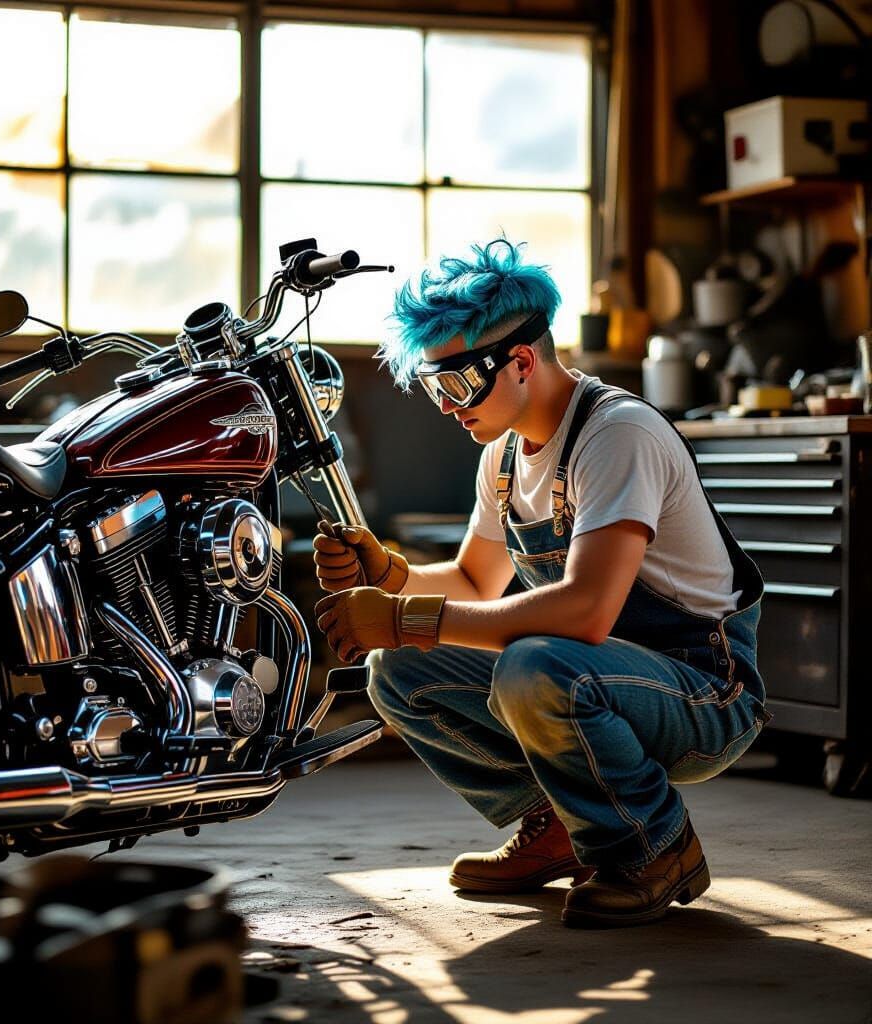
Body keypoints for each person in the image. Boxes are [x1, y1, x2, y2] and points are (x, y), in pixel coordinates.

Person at [311, 239, 769, 928]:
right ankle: (558, 825)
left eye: (457, 384)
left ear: (521, 361)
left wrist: (405, 614)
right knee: (398, 667)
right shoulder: (501, 457)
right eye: (435, 387)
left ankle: (654, 845)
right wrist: (390, 575)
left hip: (705, 691)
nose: (444, 406)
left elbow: (584, 612)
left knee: (535, 667)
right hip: (594, 673)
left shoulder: (617, 435)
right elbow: (472, 578)